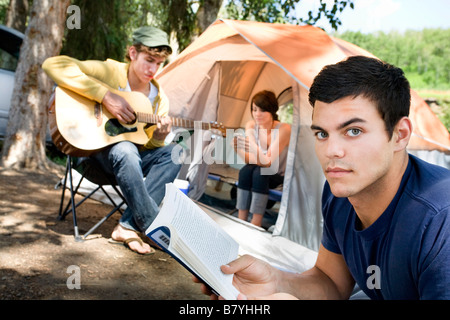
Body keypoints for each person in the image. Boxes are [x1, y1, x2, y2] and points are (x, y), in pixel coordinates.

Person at [196, 56, 450, 299]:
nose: (331, 152)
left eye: (353, 130)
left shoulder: (440, 221)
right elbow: (330, 281)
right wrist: (275, 281)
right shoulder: (340, 193)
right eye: (321, 134)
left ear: (400, 134)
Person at [43, 26, 182, 255]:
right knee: (125, 149)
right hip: (93, 157)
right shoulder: (109, 71)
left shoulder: (159, 100)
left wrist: (158, 137)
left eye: (159, 63)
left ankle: (127, 226)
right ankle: (152, 225)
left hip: (129, 165)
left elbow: (146, 147)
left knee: (175, 153)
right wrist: (105, 96)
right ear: (133, 53)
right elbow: (52, 64)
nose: (153, 69)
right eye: (149, 60)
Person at [233, 90, 291, 227]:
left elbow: (268, 162)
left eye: (262, 110)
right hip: (259, 169)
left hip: (278, 174)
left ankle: (255, 222)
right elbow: (250, 160)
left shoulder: (284, 129)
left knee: (260, 173)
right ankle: (241, 219)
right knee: (246, 171)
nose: (257, 114)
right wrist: (237, 149)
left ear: (271, 111)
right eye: (254, 110)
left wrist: (251, 144)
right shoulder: (251, 125)